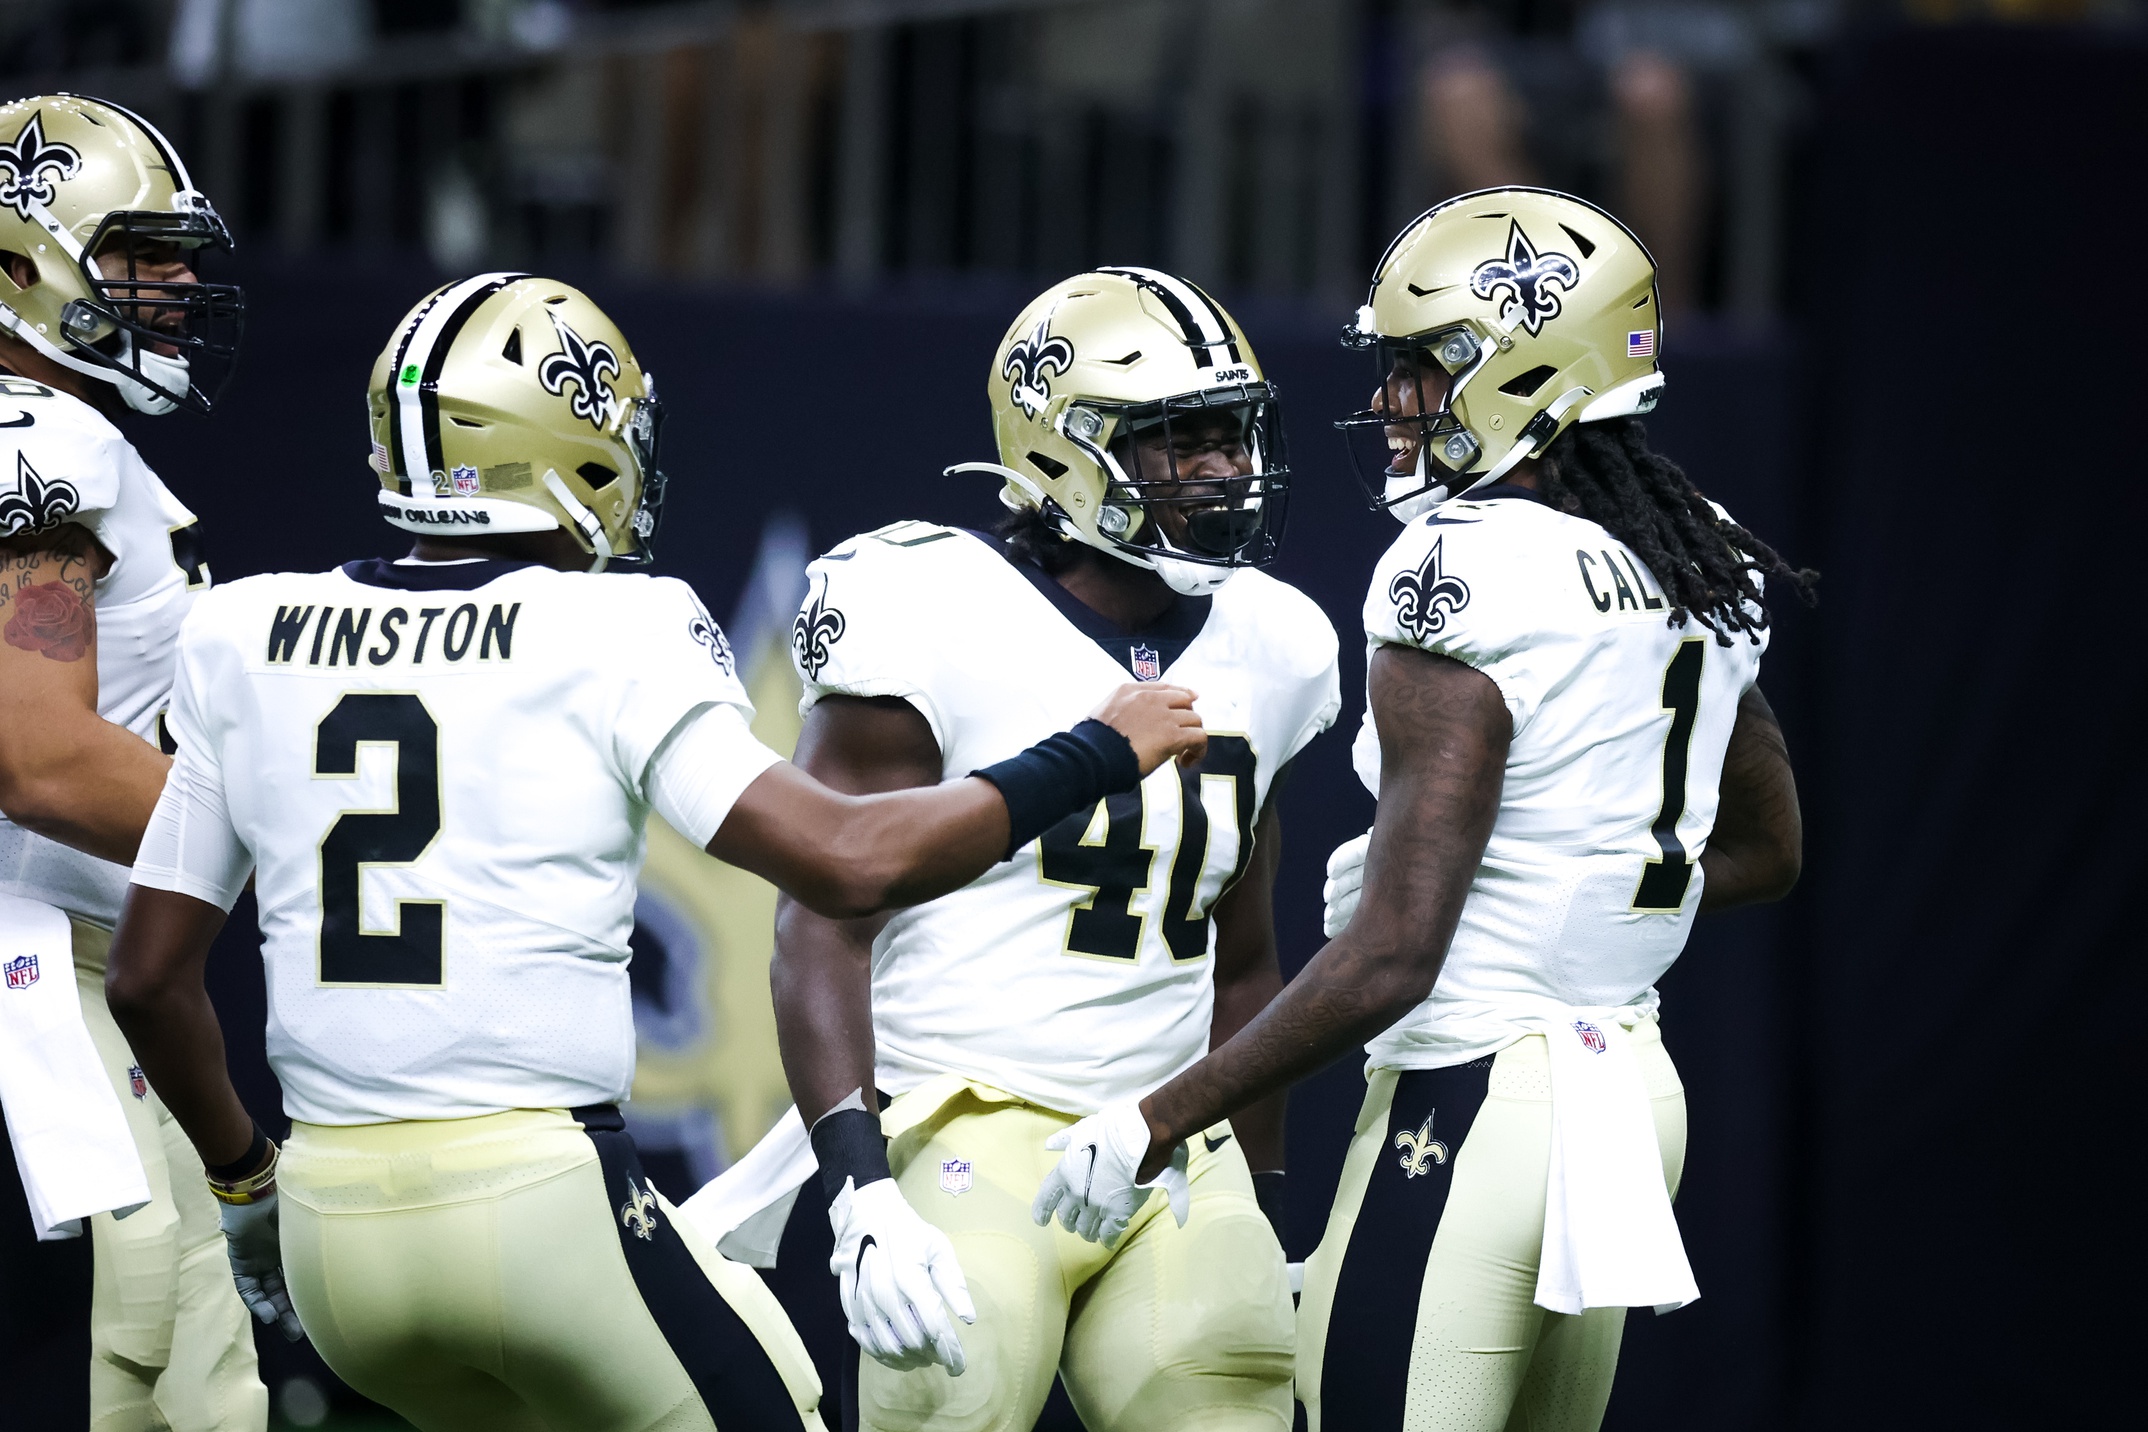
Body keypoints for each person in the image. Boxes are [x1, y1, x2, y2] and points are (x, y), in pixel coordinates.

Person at [96, 273, 1207, 1432]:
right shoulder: (614, 627)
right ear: (562, 445)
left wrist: (244, 1187)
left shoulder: (245, 631)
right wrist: (1094, 751)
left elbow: (149, 979)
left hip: (335, 1239)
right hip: (539, 1205)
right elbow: (845, 860)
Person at [1031, 190, 1814, 1431]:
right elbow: (1768, 851)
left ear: (1531, 368)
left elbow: (1396, 955)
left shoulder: (1466, 567)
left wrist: (1158, 1115)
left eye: (1424, 364)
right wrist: (1592, 884)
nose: (1396, 399)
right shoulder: (1690, 552)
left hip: (1478, 1094)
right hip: (1630, 1096)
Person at [758, 267, 1339, 1431]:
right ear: (1070, 453)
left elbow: (1242, 959)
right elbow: (822, 923)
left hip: (1170, 1137)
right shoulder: (935, 604)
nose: (1227, 468)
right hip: (968, 1123)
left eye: (1235, 435)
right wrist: (859, 1190)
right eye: (1186, 441)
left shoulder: (1277, 642)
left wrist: (1269, 1206)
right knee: (952, 1400)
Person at [0, 93, 261, 1430]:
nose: (172, 288)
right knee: (135, 1353)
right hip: (35, 968)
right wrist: (286, 833)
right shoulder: (38, 438)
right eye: (137, 256)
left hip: (99, 968)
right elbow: (39, 758)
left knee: (198, 1383)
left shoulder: (66, 439)